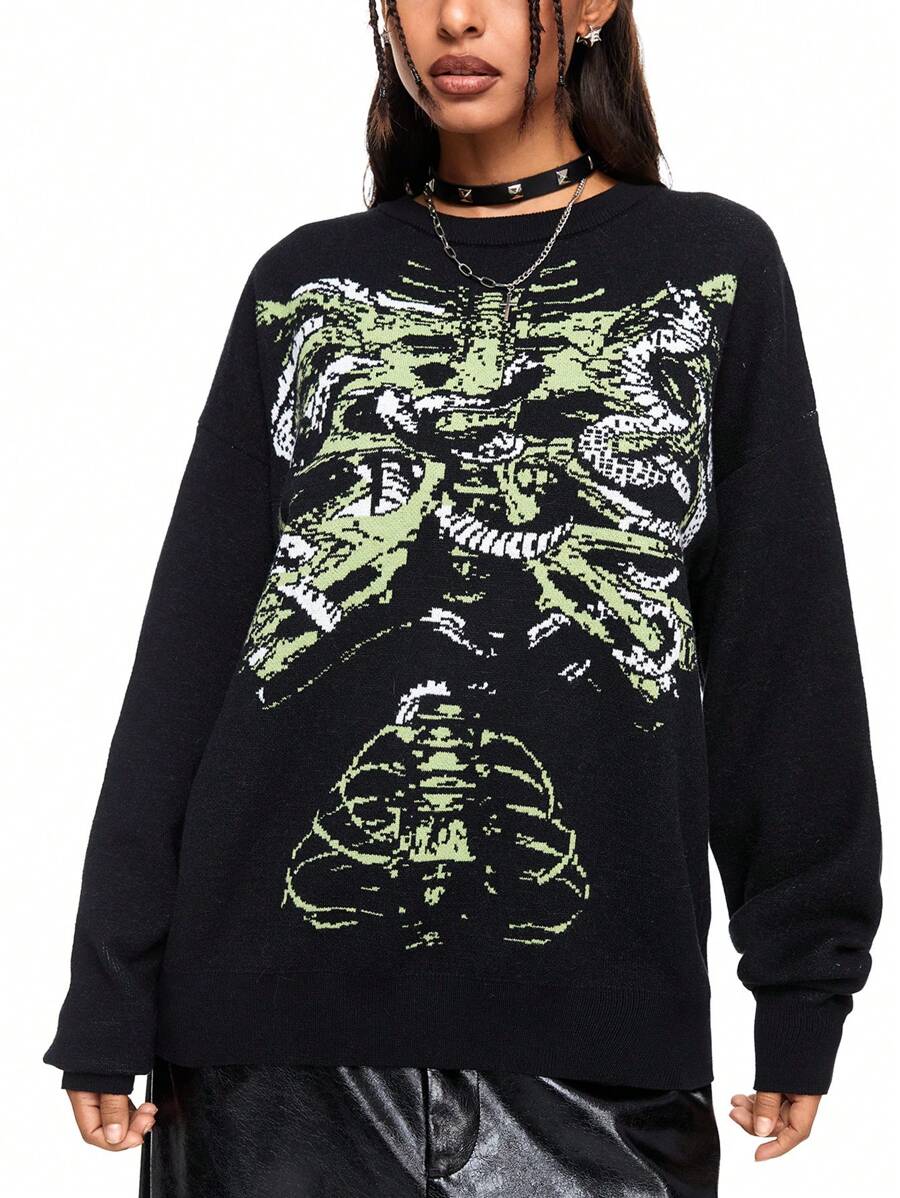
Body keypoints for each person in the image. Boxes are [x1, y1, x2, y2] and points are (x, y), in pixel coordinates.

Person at [44, 2, 883, 1194]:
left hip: (596, 1036)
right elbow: (194, 646)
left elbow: (781, 647)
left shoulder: (709, 267)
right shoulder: (307, 282)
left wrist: (805, 982)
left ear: (588, 6)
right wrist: (109, 989)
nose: (454, 17)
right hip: (267, 1046)